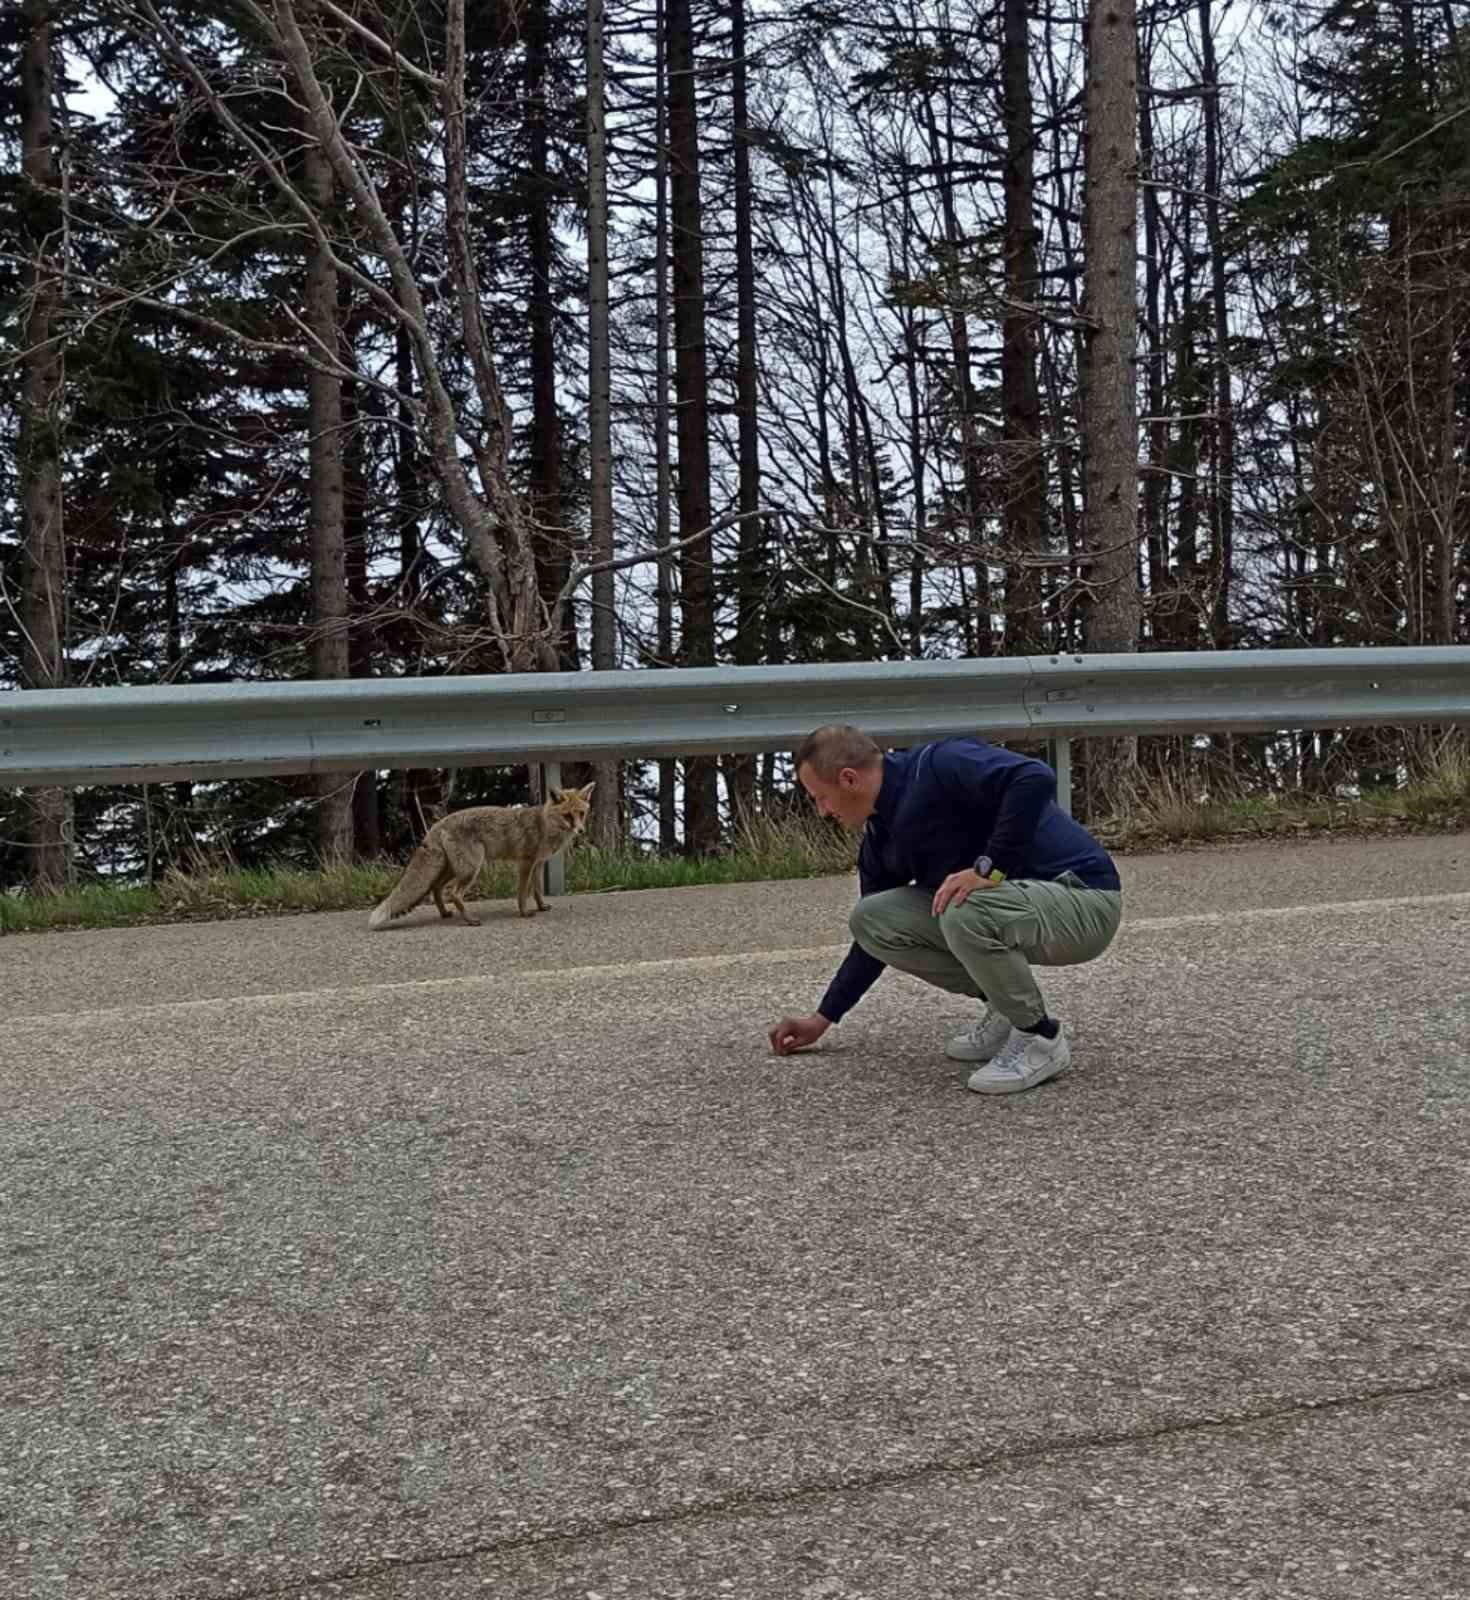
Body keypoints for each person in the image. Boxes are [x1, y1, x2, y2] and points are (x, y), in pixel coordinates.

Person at [767, 723, 1123, 1093]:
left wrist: (991, 866)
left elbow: (1032, 777)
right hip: (1013, 908)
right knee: (872, 919)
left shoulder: (938, 764)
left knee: (964, 907)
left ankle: (1041, 1038)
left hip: (1083, 897)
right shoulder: (880, 838)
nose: (822, 812)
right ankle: (1007, 1008)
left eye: (819, 797)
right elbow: (873, 942)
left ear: (848, 779)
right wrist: (823, 1018)